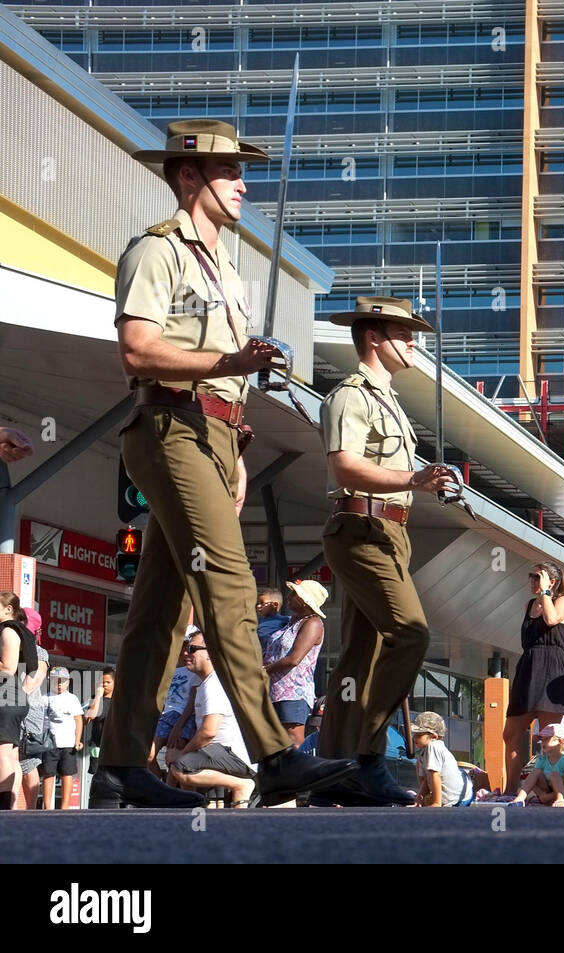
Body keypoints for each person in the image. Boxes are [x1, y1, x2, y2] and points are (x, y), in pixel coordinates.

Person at [96, 118, 357, 809]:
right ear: (188, 177)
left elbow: (229, 383)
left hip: (212, 437)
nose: (243, 183)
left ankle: (121, 762)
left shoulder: (228, 270)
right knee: (233, 587)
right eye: (228, 170)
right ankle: (274, 752)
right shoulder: (158, 252)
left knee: (162, 606)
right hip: (168, 426)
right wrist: (231, 362)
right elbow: (139, 352)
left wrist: (236, 448)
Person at [312, 295, 460, 805]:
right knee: (412, 634)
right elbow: (345, 466)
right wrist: (413, 478)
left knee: (359, 654)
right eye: (403, 333)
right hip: (361, 527)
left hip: (390, 530)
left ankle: (334, 773)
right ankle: (368, 757)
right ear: (373, 338)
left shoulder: (389, 399)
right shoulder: (350, 395)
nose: (413, 342)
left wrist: (420, 485)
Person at [502, 561, 564, 796]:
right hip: (528, 669)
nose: (532, 580)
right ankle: (510, 790)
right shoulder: (529, 604)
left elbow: (552, 620)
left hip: (552, 670)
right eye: (531, 576)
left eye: (537, 576)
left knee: (550, 738)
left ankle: (554, 793)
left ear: (550, 581)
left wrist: (546, 593)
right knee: (510, 734)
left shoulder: (561, 601)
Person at [168, 632, 256, 807]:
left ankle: (242, 785)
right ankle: (195, 814)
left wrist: (184, 752)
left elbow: (208, 732)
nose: (186, 653)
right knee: (182, 762)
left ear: (211, 654)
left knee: (181, 766)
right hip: (217, 752)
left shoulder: (214, 684)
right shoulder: (204, 683)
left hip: (233, 755)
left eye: (192, 649)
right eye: (186, 648)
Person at [262, 579, 326, 746]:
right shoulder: (290, 622)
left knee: (293, 741)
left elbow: (294, 659)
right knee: (273, 742)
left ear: (305, 601)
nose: (289, 597)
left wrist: (263, 670)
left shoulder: (313, 623)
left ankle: (301, 772)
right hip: (274, 691)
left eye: (294, 594)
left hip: (292, 694)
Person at [0, 592, 40, 810]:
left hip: (5, 697)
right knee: (12, 755)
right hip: (13, 698)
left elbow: (7, 667)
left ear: (8, 609)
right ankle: (10, 806)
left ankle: (4, 805)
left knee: (3, 753)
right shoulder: (20, 632)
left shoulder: (8, 630)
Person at [152, 629, 200, 776]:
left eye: (187, 645)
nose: (184, 649)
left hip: (185, 717)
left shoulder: (193, 670)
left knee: (176, 759)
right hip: (166, 716)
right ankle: (158, 784)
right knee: (148, 754)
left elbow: (192, 701)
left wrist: (179, 726)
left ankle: (174, 790)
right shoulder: (168, 669)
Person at [15, 610, 50, 810]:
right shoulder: (11, 647)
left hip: (29, 714)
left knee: (28, 764)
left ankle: (30, 809)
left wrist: (16, 697)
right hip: (10, 710)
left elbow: (35, 680)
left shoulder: (39, 652)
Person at [40, 668, 84, 810]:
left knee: (67, 774)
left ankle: (65, 807)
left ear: (68, 682)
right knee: (48, 774)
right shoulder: (44, 698)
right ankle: (47, 807)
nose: (59, 684)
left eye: (62, 681)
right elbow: (40, 720)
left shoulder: (73, 699)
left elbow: (78, 720)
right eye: (55, 680)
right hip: (49, 743)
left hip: (68, 743)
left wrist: (77, 740)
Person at [411, 711, 469, 807]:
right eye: (414, 734)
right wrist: (419, 799)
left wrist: (436, 803)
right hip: (453, 798)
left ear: (434, 736)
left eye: (419, 735)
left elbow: (435, 775)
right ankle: (430, 799)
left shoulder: (434, 746)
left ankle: (436, 800)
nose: (414, 738)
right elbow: (426, 780)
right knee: (418, 764)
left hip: (459, 799)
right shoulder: (423, 753)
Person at [511, 722, 564, 807]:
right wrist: (542, 796)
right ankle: (520, 798)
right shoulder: (541, 759)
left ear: (559, 741)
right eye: (542, 739)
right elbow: (533, 782)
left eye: (546, 739)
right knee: (535, 773)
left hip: (562, 794)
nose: (542, 743)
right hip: (545, 793)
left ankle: (560, 799)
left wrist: (560, 798)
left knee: (554, 774)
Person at [82, 669, 115, 778]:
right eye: (102, 682)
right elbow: (89, 717)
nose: (104, 685)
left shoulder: (118, 700)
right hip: (97, 744)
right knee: (97, 775)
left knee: (112, 776)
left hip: (113, 745)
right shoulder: (94, 699)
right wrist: (98, 697)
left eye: (108, 682)